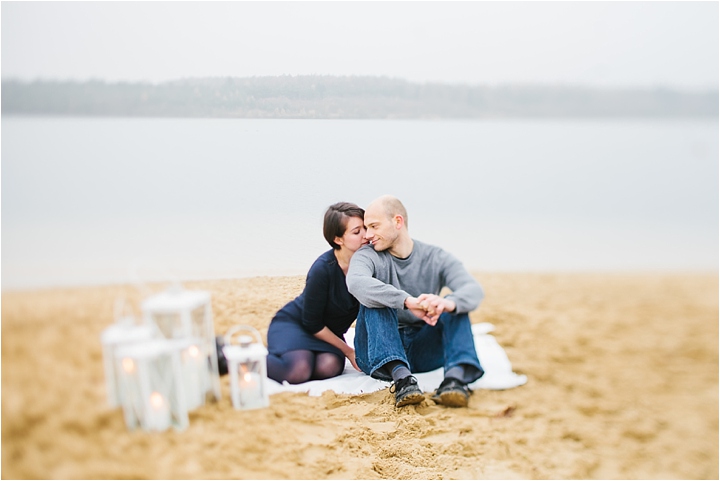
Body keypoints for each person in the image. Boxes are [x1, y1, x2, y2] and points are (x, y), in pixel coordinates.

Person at [346, 195, 485, 408]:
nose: (368, 235)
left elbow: (473, 290)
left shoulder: (435, 256)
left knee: (453, 305)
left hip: (423, 351)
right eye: (366, 227)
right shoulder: (367, 255)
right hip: (376, 354)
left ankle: (454, 381)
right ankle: (403, 380)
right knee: (375, 299)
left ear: (398, 221)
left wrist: (447, 304)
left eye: (374, 226)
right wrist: (407, 301)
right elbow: (356, 282)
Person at [264, 202, 366, 384]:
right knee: (298, 370)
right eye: (357, 232)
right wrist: (349, 352)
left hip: (329, 334)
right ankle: (243, 362)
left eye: (366, 227)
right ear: (338, 239)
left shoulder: (369, 265)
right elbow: (311, 323)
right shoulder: (322, 269)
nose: (366, 235)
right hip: (296, 323)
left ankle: (298, 354)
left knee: (329, 366)